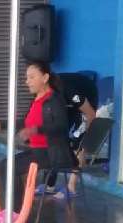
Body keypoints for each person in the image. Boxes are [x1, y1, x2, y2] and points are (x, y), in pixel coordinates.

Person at [5, 62, 79, 201]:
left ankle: (15, 211)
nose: (27, 82)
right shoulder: (36, 100)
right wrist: (1, 124)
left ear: (45, 78)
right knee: (5, 165)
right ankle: (15, 209)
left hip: (52, 153)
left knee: (10, 168)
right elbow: (25, 122)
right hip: (38, 151)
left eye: (32, 77)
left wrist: (36, 130)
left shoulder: (54, 100)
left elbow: (61, 126)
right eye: (27, 78)